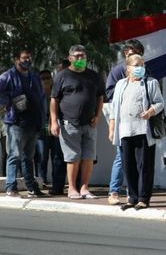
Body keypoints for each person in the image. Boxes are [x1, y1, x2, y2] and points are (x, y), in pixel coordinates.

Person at [108, 54, 163, 211]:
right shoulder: (120, 84)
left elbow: (160, 102)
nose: (140, 68)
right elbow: (114, 109)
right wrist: (112, 128)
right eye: (137, 65)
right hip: (125, 130)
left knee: (144, 165)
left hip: (143, 130)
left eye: (142, 65)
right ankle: (132, 197)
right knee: (128, 165)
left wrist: (150, 112)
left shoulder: (150, 83)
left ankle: (143, 198)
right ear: (128, 68)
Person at [50, 45, 105, 199]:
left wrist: (97, 115)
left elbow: (100, 96)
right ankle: (72, 188)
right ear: (70, 58)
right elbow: (54, 99)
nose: (81, 59)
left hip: (90, 123)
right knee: (73, 157)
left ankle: (84, 188)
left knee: (88, 157)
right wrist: (54, 121)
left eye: (83, 56)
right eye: (77, 56)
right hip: (69, 122)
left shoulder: (94, 76)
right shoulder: (62, 76)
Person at [0, 49, 47, 198]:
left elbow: (41, 97)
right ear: (16, 59)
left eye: (29, 58)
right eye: (24, 58)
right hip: (16, 123)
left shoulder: (34, 76)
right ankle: (11, 187)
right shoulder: (8, 76)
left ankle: (31, 187)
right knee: (14, 155)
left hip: (33, 123)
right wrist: (10, 100)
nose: (27, 61)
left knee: (29, 157)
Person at [105, 39, 145, 205]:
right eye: (128, 51)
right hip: (123, 122)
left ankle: (133, 193)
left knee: (138, 159)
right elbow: (109, 93)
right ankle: (113, 191)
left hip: (140, 123)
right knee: (121, 157)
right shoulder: (118, 73)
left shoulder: (144, 73)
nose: (130, 53)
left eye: (134, 51)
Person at [37, 70, 67, 195]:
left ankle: (57, 182)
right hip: (41, 128)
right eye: (43, 78)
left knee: (56, 156)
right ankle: (41, 180)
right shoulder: (37, 93)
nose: (46, 80)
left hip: (55, 126)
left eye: (48, 77)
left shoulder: (56, 92)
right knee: (42, 156)